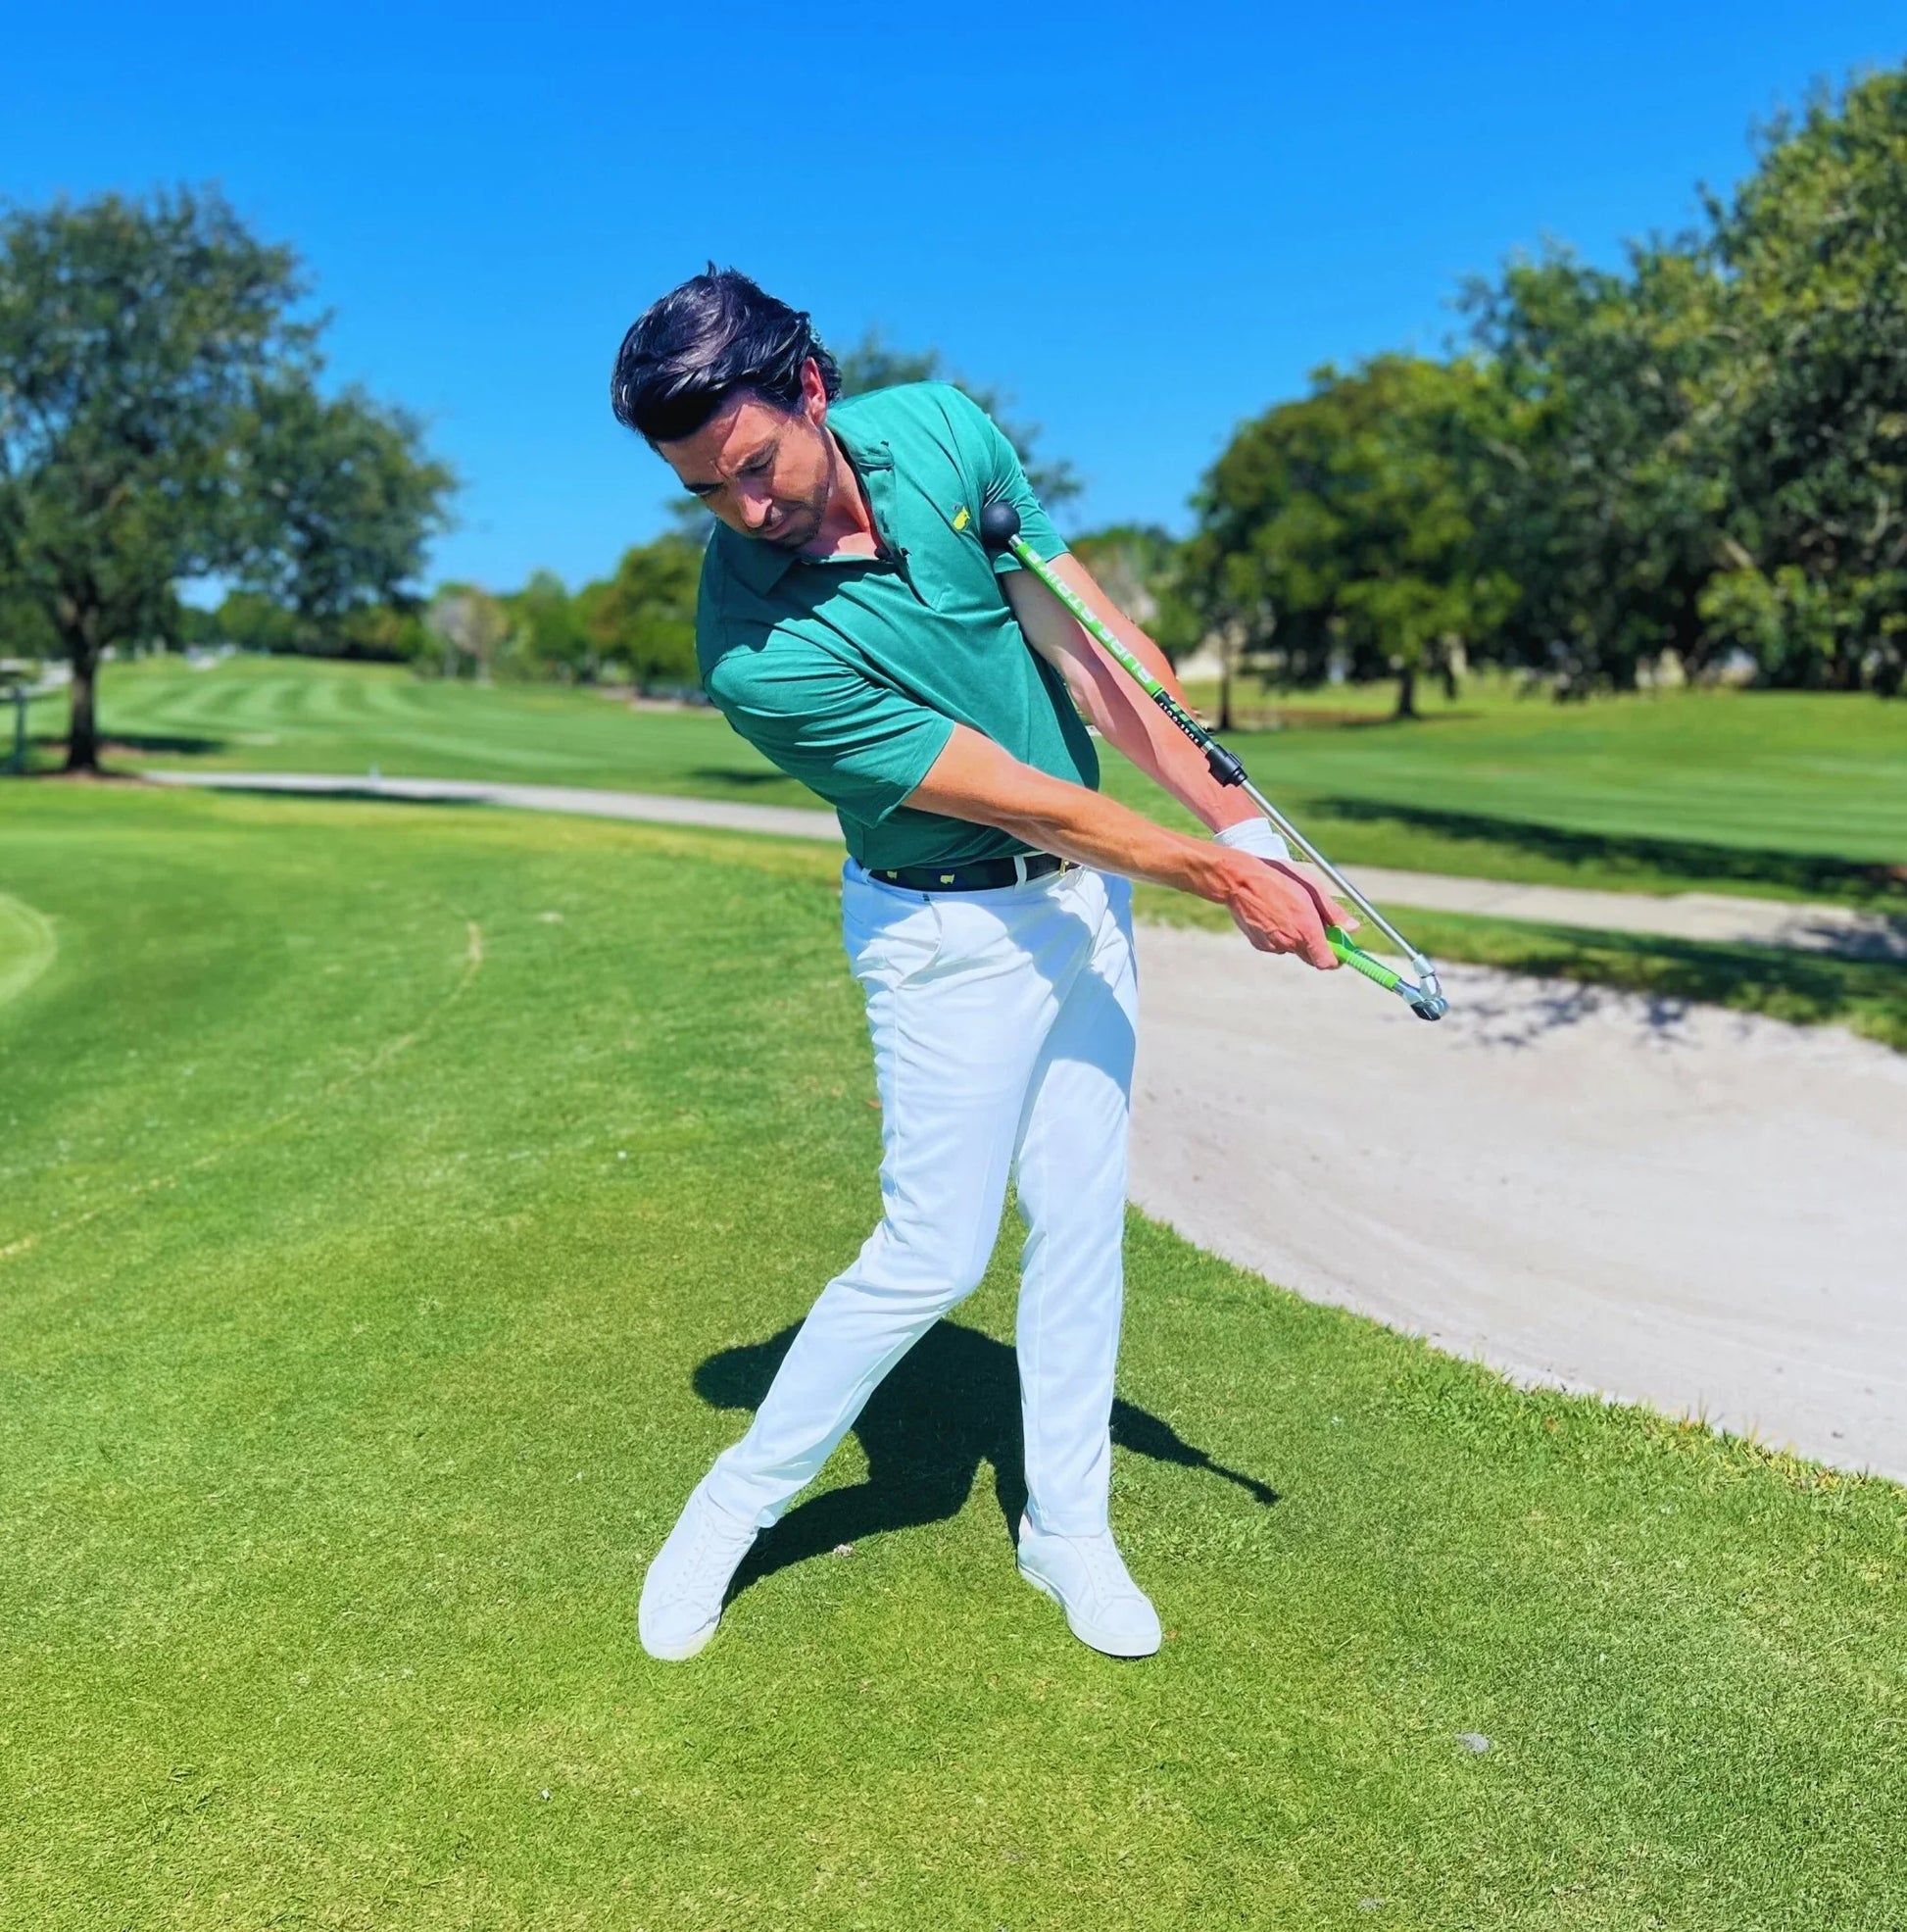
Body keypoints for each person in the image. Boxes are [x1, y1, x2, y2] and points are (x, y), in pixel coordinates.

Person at [610, 269, 1350, 1661]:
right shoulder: (752, 651)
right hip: (942, 933)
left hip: (1085, 910)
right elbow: (1021, 791)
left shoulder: (946, 433)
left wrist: (1243, 818)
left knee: (1077, 1217)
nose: (745, 511)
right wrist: (1221, 878)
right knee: (932, 1252)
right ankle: (730, 1508)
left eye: (755, 466)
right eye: (707, 490)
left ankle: (1066, 1527)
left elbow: (1094, 662)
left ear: (810, 388)